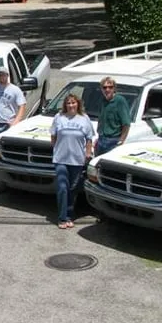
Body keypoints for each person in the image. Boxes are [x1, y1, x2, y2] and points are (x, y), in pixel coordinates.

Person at [50, 93, 95, 229]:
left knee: (73, 188)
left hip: (77, 160)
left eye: (73, 103)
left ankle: (69, 215)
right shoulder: (59, 117)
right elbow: (53, 136)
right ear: (65, 105)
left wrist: (87, 153)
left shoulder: (84, 118)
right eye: (68, 103)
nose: (71, 105)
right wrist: (57, 149)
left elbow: (89, 138)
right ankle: (62, 218)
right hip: (61, 159)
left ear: (78, 104)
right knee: (62, 187)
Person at [95, 76, 131, 156]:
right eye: (104, 87)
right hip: (101, 140)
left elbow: (126, 124)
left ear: (114, 88)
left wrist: (121, 141)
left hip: (113, 141)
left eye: (110, 87)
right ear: (101, 89)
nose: (107, 90)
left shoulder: (120, 101)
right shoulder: (102, 101)